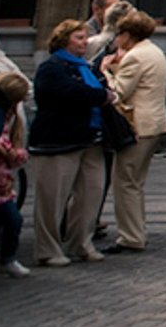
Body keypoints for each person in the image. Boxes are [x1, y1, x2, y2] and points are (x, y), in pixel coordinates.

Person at [27, 19, 111, 267]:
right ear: (63, 40)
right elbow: (69, 93)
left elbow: (100, 90)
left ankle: (81, 243)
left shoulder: (89, 68)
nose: (84, 42)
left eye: (85, 38)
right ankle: (48, 248)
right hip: (58, 140)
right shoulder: (52, 67)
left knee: (91, 193)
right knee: (53, 197)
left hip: (90, 138)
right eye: (78, 38)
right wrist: (102, 95)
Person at [98, 9, 166, 253]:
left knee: (125, 182)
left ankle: (130, 237)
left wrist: (106, 70)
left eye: (119, 34)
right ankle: (137, 231)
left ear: (127, 35)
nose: (117, 39)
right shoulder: (154, 51)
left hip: (138, 125)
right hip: (155, 124)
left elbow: (118, 92)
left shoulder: (134, 57)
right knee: (135, 182)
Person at [0, 72, 31, 276]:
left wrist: (12, 153)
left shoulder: (11, 119)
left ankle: (7, 259)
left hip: (1, 182)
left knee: (13, 219)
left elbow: (14, 151)